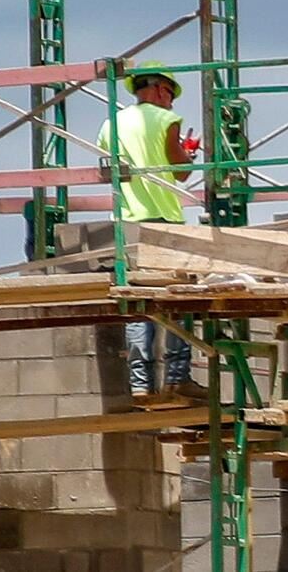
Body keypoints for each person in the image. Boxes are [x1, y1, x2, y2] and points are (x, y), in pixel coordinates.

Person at [96, 61, 207, 401]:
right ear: (160, 89)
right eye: (170, 95)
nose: (171, 103)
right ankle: (176, 378)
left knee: (138, 305)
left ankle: (140, 385)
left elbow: (108, 169)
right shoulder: (166, 120)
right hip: (164, 223)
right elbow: (181, 172)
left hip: (127, 224)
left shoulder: (110, 123)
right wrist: (188, 154)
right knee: (178, 300)